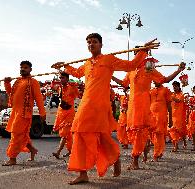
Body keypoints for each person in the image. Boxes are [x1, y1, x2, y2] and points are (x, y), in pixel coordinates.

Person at [52, 33, 157, 185]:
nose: (91, 44)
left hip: (100, 105)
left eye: (94, 42)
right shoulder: (87, 63)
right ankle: (83, 173)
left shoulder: (109, 59)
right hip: (85, 104)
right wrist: (64, 66)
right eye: (88, 42)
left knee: (102, 136)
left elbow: (131, 65)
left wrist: (143, 50)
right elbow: (77, 72)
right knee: (78, 133)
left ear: (101, 45)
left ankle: (114, 157)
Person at [112, 54, 185, 170]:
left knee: (139, 132)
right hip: (132, 107)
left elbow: (165, 79)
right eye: (136, 56)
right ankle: (143, 151)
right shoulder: (131, 71)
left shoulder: (149, 69)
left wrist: (179, 70)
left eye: (139, 56)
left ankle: (135, 160)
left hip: (144, 106)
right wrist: (111, 74)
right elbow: (124, 84)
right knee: (134, 133)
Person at [2, 61, 46, 166]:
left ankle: (12, 158)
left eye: (25, 67)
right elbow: (11, 94)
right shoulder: (17, 81)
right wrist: (7, 83)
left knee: (16, 135)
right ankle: (32, 150)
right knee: (22, 135)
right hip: (15, 112)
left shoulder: (33, 82)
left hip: (24, 113)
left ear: (30, 69)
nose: (23, 69)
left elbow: (39, 98)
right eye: (21, 67)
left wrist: (42, 112)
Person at [52, 72, 79, 159]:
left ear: (67, 79)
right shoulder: (59, 88)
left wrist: (73, 84)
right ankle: (71, 151)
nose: (61, 80)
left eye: (63, 78)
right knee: (68, 135)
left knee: (64, 133)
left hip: (69, 113)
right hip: (61, 112)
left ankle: (58, 152)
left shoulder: (71, 87)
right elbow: (53, 86)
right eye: (60, 78)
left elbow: (77, 93)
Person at [150, 82, 172, 161]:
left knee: (158, 134)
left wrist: (170, 119)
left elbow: (169, 106)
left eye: (156, 80)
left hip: (161, 116)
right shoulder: (151, 91)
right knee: (153, 134)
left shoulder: (166, 90)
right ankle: (160, 151)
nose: (154, 82)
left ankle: (156, 153)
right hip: (151, 116)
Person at [168, 81, 187, 152]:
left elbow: (178, 101)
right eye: (173, 86)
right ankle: (175, 145)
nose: (174, 88)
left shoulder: (182, 95)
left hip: (179, 116)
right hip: (172, 115)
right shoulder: (172, 95)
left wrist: (172, 97)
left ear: (179, 87)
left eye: (175, 86)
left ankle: (179, 144)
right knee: (172, 131)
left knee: (178, 131)